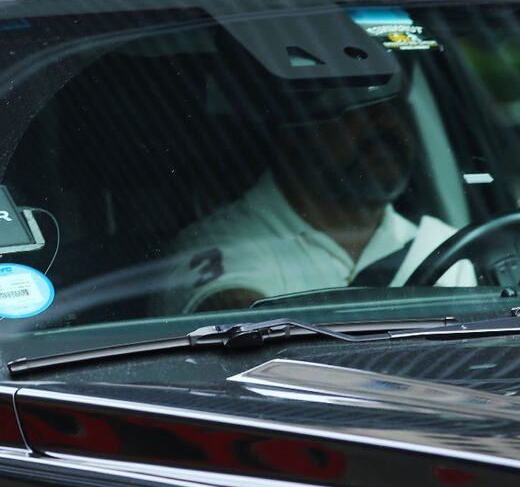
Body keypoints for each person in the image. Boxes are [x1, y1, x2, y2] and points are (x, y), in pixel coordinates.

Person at [153, 77, 476, 315]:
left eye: (395, 104)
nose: (388, 121)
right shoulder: (216, 245)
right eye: (357, 107)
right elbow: (236, 326)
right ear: (294, 131)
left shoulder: (442, 247)